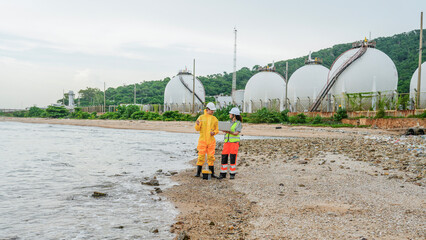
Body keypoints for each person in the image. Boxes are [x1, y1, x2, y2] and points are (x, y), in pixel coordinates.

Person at [194, 102, 219, 178]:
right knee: (201, 156)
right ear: (207, 109)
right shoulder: (201, 117)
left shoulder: (215, 119)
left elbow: (217, 130)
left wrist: (213, 132)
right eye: (211, 110)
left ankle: (212, 173)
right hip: (202, 140)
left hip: (211, 141)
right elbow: (197, 129)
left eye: (213, 110)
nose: (212, 112)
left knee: (211, 156)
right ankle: (198, 173)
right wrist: (197, 124)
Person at [219, 107, 242, 180]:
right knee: (224, 157)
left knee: (232, 158)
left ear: (234, 115)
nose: (229, 114)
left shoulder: (238, 123)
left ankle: (232, 174)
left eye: (230, 113)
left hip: (234, 143)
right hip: (227, 143)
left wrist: (229, 132)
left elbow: (236, 133)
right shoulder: (228, 122)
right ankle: (223, 173)